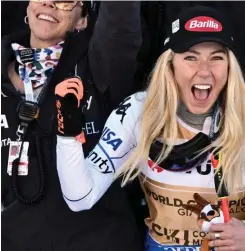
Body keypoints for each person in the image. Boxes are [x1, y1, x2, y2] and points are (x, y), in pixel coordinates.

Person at [54, 6, 245, 251]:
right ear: (169, 65)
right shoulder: (139, 112)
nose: (204, 72)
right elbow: (80, 197)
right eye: (191, 58)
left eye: (216, 58)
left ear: (230, 66)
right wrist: (67, 135)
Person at [1, 1, 143, 250]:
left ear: (83, 20)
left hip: (97, 241)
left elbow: (120, 27)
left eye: (65, 1)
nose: (49, 3)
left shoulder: (98, 67)